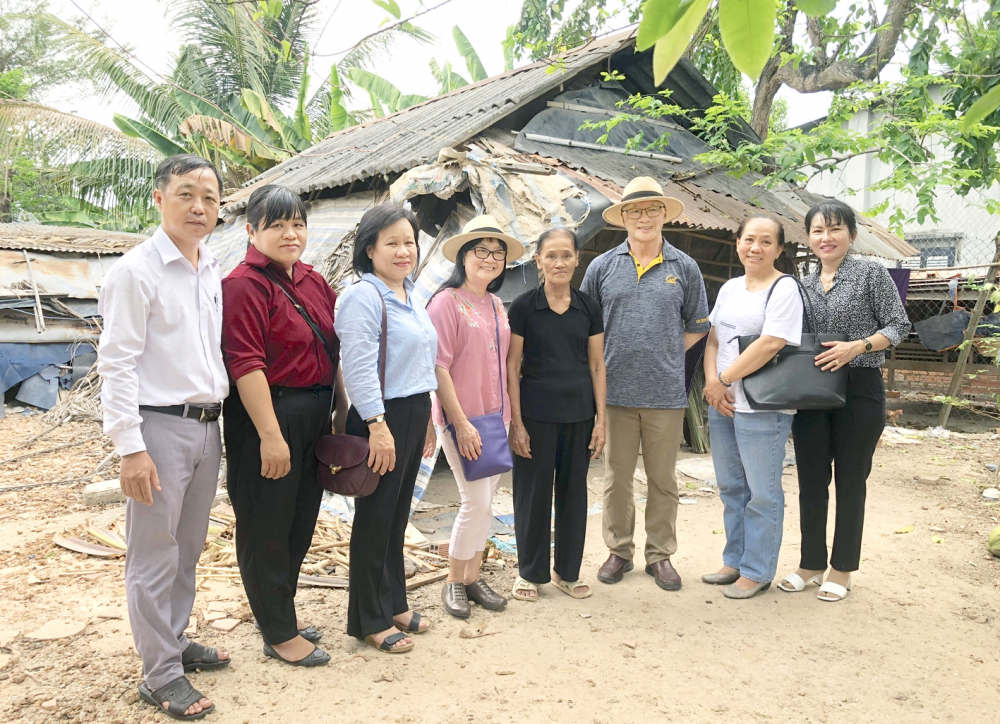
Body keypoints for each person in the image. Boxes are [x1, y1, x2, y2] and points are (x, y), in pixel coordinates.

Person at [98, 154, 229, 721]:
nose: (199, 207)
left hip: (206, 426)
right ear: (159, 199)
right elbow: (117, 362)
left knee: (187, 548)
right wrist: (130, 446)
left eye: (209, 197)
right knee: (153, 553)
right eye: (186, 194)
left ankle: (172, 644)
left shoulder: (211, 269)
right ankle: (159, 675)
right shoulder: (136, 271)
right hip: (156, 427)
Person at [221, 185, 348, 666]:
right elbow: (246, 364)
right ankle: (277, 632)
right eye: (276, 225)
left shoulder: (313, 281)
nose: (289, 233)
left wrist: (337, 411)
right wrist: (271, 437)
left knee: (299, 518)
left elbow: (334, 347)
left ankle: (281, 613)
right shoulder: (243, 285)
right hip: (267, 414)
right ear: (252, 230)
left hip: (314, 410)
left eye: (297, 223)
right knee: (265, 522)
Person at [581, 176, 710, 592]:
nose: (643, 217)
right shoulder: (602, 266)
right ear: (622, 218)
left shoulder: (684, 267)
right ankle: (619, 551)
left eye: (652, 209)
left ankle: (660, 555)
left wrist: (667, 353)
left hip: (664, 393)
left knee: (663, 479)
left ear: (663, 215)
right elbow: (587, 326)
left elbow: (696, 327)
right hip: (614, 394)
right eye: (634, 210)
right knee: (616, 479)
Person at [779, 199, 910, 602]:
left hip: (860, 386)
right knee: (811, 481)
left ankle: (842, 568)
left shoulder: (870, 273)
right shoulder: (801, 282)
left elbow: (900, 325)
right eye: (818, 231)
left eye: (835, 229)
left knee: (851, 481)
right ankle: (811, 563)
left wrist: (860, 346)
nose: (826, 237)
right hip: (813, 388)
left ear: (851, 235)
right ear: (810, 238)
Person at [335, 204, 439, 653]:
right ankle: (369, 618)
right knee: (375, 518)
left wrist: (429, 418)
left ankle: (394, 600)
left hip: (414, 410)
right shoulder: (362, 295)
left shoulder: (412, 294)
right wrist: (377, 425)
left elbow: (422, 361)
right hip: (381, 416)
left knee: (397, 516)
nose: (403, 251)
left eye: (409, 242)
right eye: (391, 242)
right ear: (369, 248)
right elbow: (356, 366)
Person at [426, 215, 525, 619]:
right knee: (475, 502)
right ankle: (453, 580)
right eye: (480, 251)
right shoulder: (445, 302)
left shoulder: (498, 304)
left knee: (486, 504)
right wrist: (460, 421)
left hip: (495, 417)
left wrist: (512, 418)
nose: (489, 258)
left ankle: (472, 577)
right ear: (463, 256)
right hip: (461, 420)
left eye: (497, 253)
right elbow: (437, 366)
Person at [701, 213, 803, 599]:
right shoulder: (729, 288)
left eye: (765, 241)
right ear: (738, 243)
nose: (755, 247)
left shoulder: (784, 288)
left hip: (763, 406)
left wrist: (724, 380)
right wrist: (713, 383)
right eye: (748, 239)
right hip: (723, 401)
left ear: (778, 248)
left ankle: (758, 569)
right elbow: (714, 338)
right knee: (731, 487)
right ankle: (735, 560)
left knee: (762, 491)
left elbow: (772, 342)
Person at [507, 228, 606, 603]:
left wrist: (601, 419)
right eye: (551, 256)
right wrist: (517, 422)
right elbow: (513, 365)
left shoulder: (588, 307)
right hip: (534, 416)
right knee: (531, 495)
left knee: (573, 494)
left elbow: (597, 366)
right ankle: (529, 574)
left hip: (579, 415)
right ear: (538, 262)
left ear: (577, 259)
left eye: (566, 255)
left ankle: (567, 572)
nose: (559, 262)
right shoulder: (523, 307)